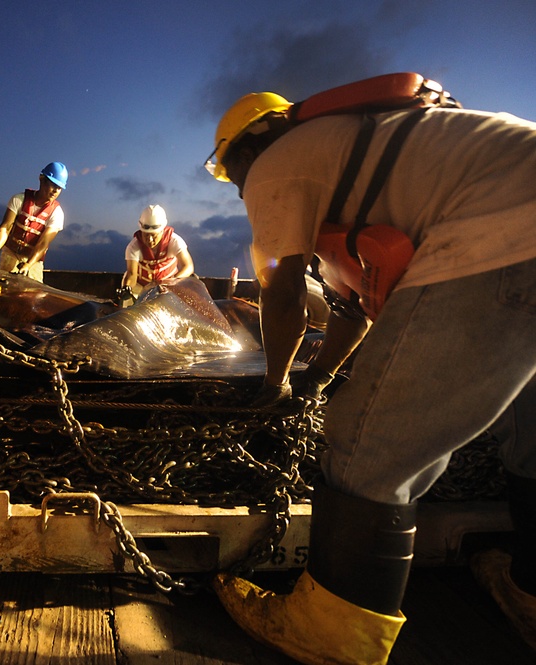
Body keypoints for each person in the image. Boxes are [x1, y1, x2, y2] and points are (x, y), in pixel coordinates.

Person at [203, 87, 536, 663]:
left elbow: (280, 296)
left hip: (501, 231)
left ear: (246, 151)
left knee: (365, 444)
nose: (238, 190)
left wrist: (276, 384)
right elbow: (351, 311)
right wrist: (319, 376)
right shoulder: (361, 159)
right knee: (532, 434)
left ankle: (331, 633)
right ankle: (531, 593)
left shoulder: (278, 164)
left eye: (232, 174)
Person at [0, 161, 67, 282]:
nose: (55, 191)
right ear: (42, 179)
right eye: (53, 185)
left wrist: (28, 264)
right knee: (1, 291)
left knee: (33, 297)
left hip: (33, 262)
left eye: (59, 188)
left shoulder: (57, 213)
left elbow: (43, 243)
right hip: (9, 255)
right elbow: (5, 227)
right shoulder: (19, 199)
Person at [116, 203, 194, 304]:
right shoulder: (134, 246)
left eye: (153, 235)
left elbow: (188, 266)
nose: (150, 239)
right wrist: (127, 288)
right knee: (127, 304)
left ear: (162, 231)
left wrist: (171, 282)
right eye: (146, 235)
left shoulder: (174, 241)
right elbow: (131, 274)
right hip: (141, 288)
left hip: (168, 288)